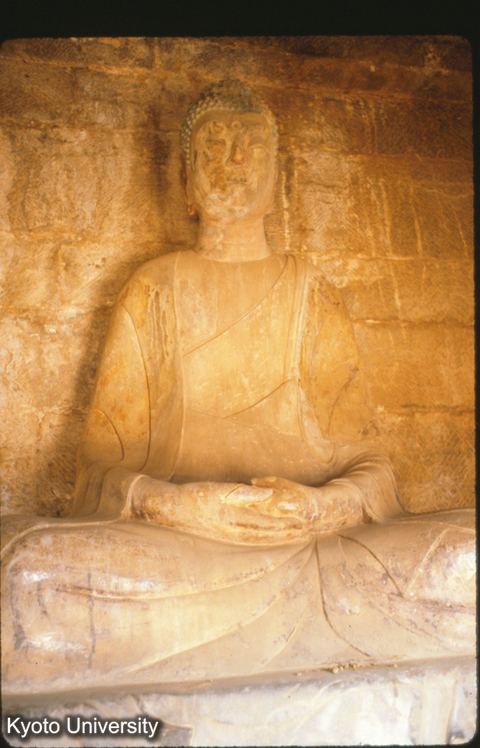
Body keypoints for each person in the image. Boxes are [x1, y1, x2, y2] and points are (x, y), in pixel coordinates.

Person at [1, 81, 475, 696]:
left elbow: (370, 464)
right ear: (185, 182)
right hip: (181, 550)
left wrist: (324, 507)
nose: (235, 160)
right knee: (28, 569)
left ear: (278, 179)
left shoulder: (312, 291)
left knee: (467, 551)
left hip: (316, 547)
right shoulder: (153, 287)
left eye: (252, 146)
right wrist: (169, 504)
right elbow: (99, 468)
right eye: (215, 146)